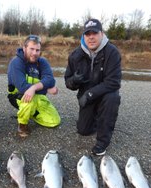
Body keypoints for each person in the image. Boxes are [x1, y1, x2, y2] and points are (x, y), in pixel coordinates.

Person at [64, 18, 122, 156]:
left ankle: (103, 142)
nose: (91, 37)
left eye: (94, 33)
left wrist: (89, 94)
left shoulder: (112, 52)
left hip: (104, 96)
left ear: (101, 34)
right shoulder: (75, 55)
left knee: (112, 97)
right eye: (87, 34)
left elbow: (114, 82)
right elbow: (67, 82)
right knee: (83, 131)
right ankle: (98, 117)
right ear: (83, 36)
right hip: (86, 100)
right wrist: (75, 81)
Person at [7, 35, 60, 138]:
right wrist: (46, 88)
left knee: (54, 121)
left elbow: (50, 80)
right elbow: (22, 87)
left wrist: (34, 88)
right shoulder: (16, 62)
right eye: (31, 49)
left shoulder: (42, 62)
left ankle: (31, 113)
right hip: (18, 96)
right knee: (28, 98)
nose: (35, 53)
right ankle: (22, 124)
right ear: (24, 48)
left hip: (37, 95)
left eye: (37, 50)